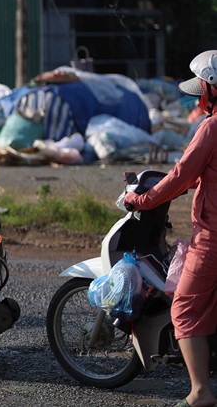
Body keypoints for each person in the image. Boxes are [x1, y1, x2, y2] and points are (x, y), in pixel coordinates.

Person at [124, 50, 217, 407]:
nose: (198, 100)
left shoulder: (210, 127)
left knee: (185, 310)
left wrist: (142, 200)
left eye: (201, 92)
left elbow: (181, 175)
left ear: (211, 90)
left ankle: (200, 391)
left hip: (212, 239)